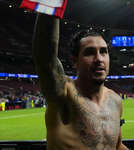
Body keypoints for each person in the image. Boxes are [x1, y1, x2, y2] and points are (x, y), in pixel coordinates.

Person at [33, 13, 128, 150]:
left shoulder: (115, 101)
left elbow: (117, 146)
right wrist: (51, 6)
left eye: (103, 52)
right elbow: (45, 59)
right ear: (74, 61)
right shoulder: (64, 93)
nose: (99, 59)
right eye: (90, 52)